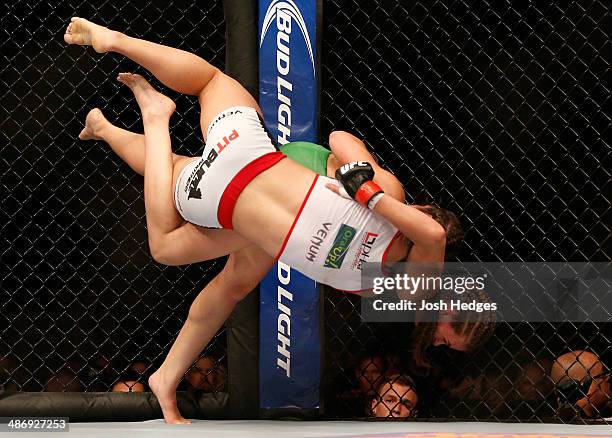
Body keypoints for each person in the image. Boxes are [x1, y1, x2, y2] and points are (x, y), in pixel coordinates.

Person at [64, 17, 467, 423]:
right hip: (232, 197)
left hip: (254, 157)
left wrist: (365, 189)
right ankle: (145, 120)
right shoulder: (380, 280)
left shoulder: (391, 221)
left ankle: (117, 54)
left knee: (209, 85)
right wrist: (362, 179)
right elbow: (345, 144)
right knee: (169, 232)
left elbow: (423, 234)